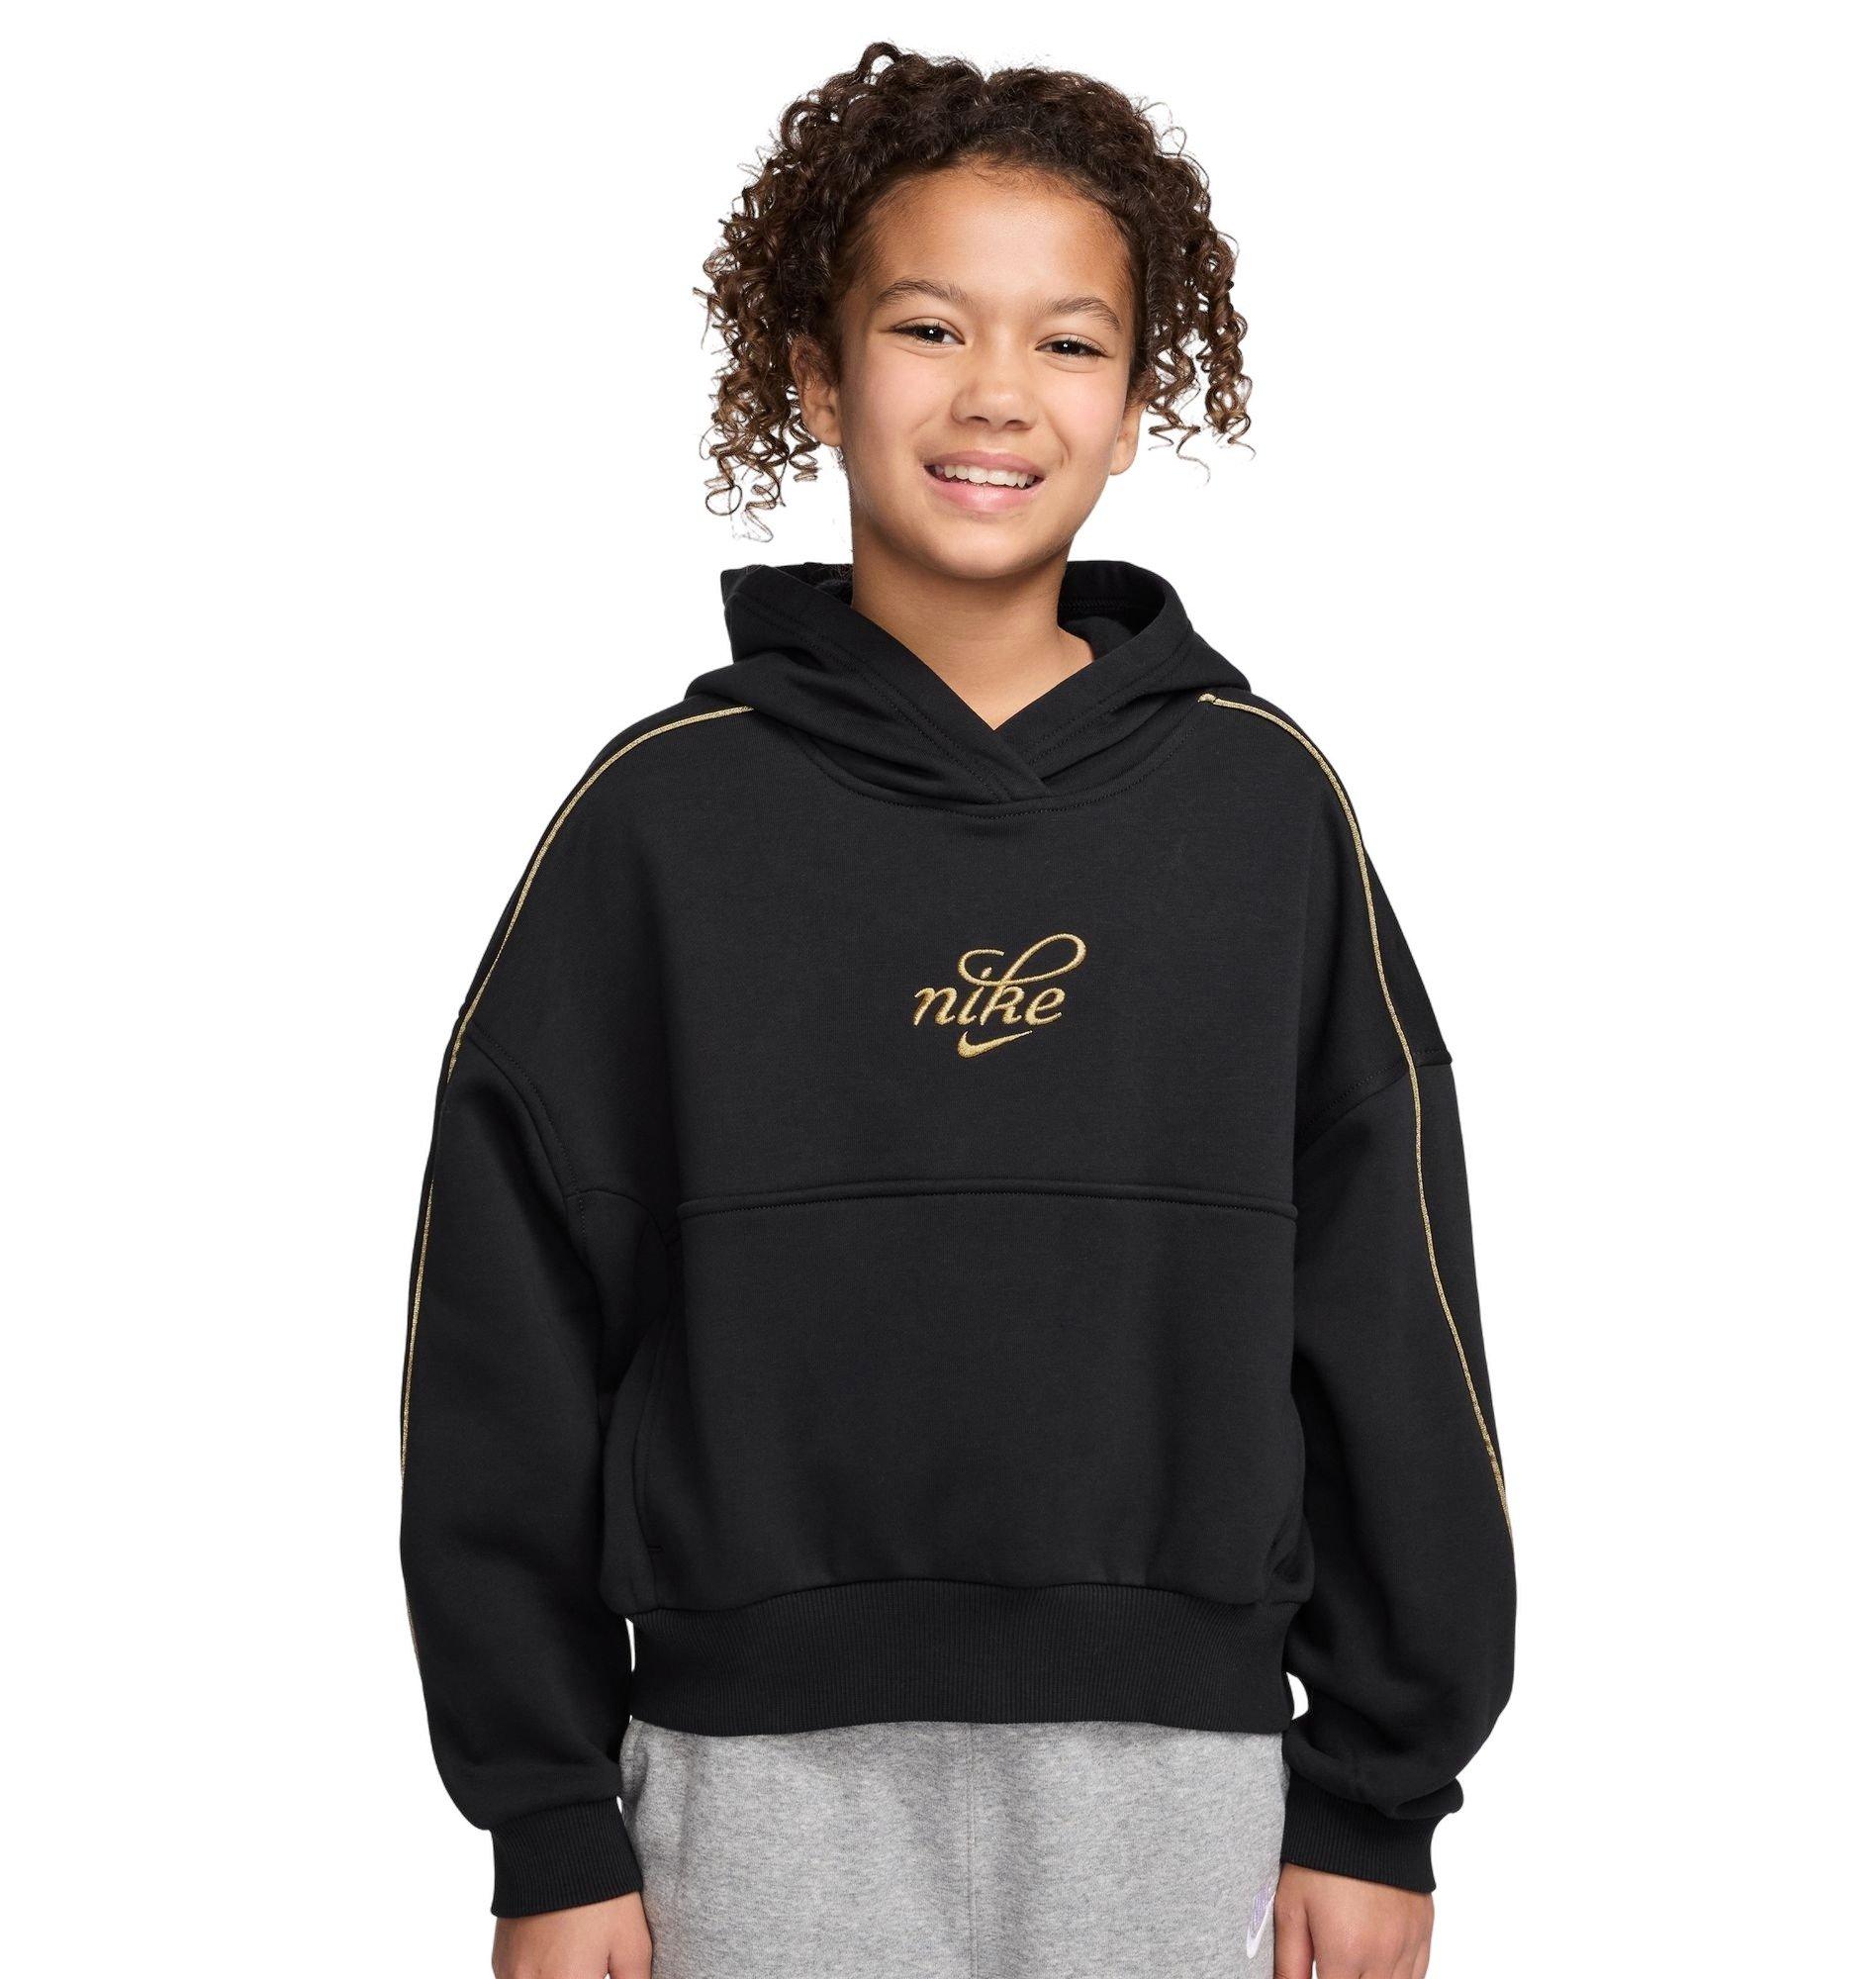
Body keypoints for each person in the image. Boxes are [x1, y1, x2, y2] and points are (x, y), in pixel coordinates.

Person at [398, 41, 1516, 1979]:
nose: (996, 390)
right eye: (928, 326)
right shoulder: (659, 825)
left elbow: (1393, 1315)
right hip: (747, 1788)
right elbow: (504, 1351)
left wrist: (1377, 1790)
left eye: (1068, 343)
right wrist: (546, 1819)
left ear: (1139, 405)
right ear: (816, 379)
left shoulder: (1258, 812)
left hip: (1181, 1790)